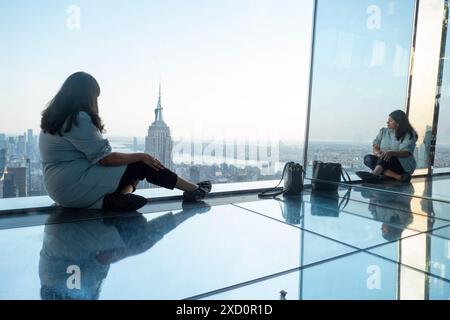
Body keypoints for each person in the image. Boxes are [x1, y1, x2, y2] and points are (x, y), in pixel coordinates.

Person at [39, 72, 211, 211]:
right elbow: (106, 159)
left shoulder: (54, 119)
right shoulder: (78, 119)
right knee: (142, 165)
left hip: (58, 188)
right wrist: (141, 156)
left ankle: (118, 198)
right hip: (72, 186)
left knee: (134, 167)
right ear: (87, 97)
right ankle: (194, 190)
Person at [356, 110, 417, 183]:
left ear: (398, 123)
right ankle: (398, 177)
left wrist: (391, 153)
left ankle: (373, 175)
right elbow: (375, 146)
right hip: (385, 162)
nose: (387, 122)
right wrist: (378, 153)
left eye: (391, 121)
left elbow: (406, 153)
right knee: (368, 158)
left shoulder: (408, 134)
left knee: (386, 157)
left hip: (401, 165)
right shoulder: (383, 131)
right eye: (388, 120)